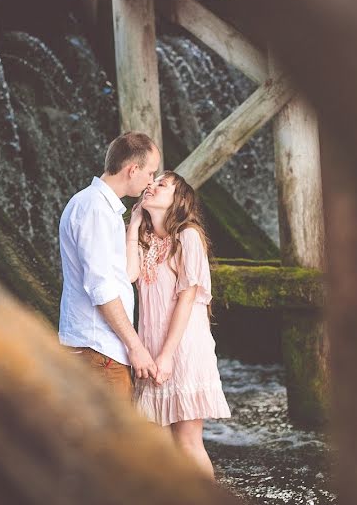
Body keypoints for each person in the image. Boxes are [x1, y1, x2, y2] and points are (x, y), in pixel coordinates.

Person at [126, 171, 231, 478]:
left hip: (182, 350)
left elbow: (187, 299)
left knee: (187, 442)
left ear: (177, 201)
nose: (151, 186)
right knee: (156, 446)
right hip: (150, 347)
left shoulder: (188, 237)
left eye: (162, 185)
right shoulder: (144, 240)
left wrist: (168, 355)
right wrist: (133, 225)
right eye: (153, 181)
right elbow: (129, 275)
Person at [58, 132, 161, 400]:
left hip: (101, 349)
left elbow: (122, 277)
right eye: (150, 173)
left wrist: (135, 225)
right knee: (112, 441)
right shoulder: (95, 210)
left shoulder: (103, 209)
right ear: (132, 169)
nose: (151, 182)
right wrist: (135, 346)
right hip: (99, 350)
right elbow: (101, 288)